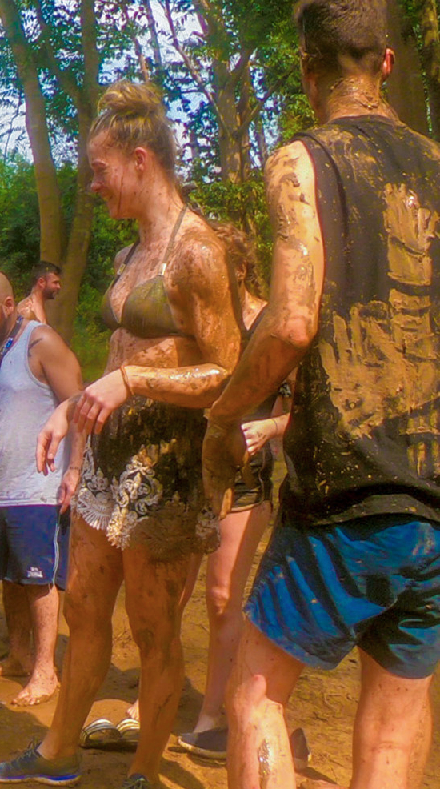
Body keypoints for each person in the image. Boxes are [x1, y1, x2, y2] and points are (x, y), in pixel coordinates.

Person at [203, 3, 440, 789]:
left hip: (347, 493)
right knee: (389, 734)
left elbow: (292, 321)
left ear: (307, 69)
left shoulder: (304, 160)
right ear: (384, 63)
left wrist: (226, 415)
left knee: (257, 695)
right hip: (434, 504)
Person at [0, 79, 242, 789]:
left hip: (168, 471)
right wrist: (74, 406)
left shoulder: (200, 252)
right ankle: (60, 747)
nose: (92, 186)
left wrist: (131, 381)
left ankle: (145, 772)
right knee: (83, 608)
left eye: (99, 171)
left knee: (154, 630)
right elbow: (120, 351)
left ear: (138, 160)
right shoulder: (135, 251)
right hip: (106, 464)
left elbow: (229, 373)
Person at [176, 228, 290, 761]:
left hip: (246, 475)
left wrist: (270, 429)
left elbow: (310, 408)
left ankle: (212, 716)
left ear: (240, 270)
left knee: (222, 597)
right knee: (170, 590)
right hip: (187, 467)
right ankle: (161, 692)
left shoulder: (274, 323)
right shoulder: (196, 315)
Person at [0, 271, 85, 707]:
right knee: (9, 577)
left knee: (39, 581)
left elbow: (79, 404)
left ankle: (45, 670)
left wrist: (75, 469)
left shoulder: (41, 342)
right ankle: (18, 655)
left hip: (38, 487)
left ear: (8, 305)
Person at [18, 260, 64, 325]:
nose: (59, 286)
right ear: (41, 282)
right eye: (55, 282)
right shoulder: (27, 311)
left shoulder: (38, 307)